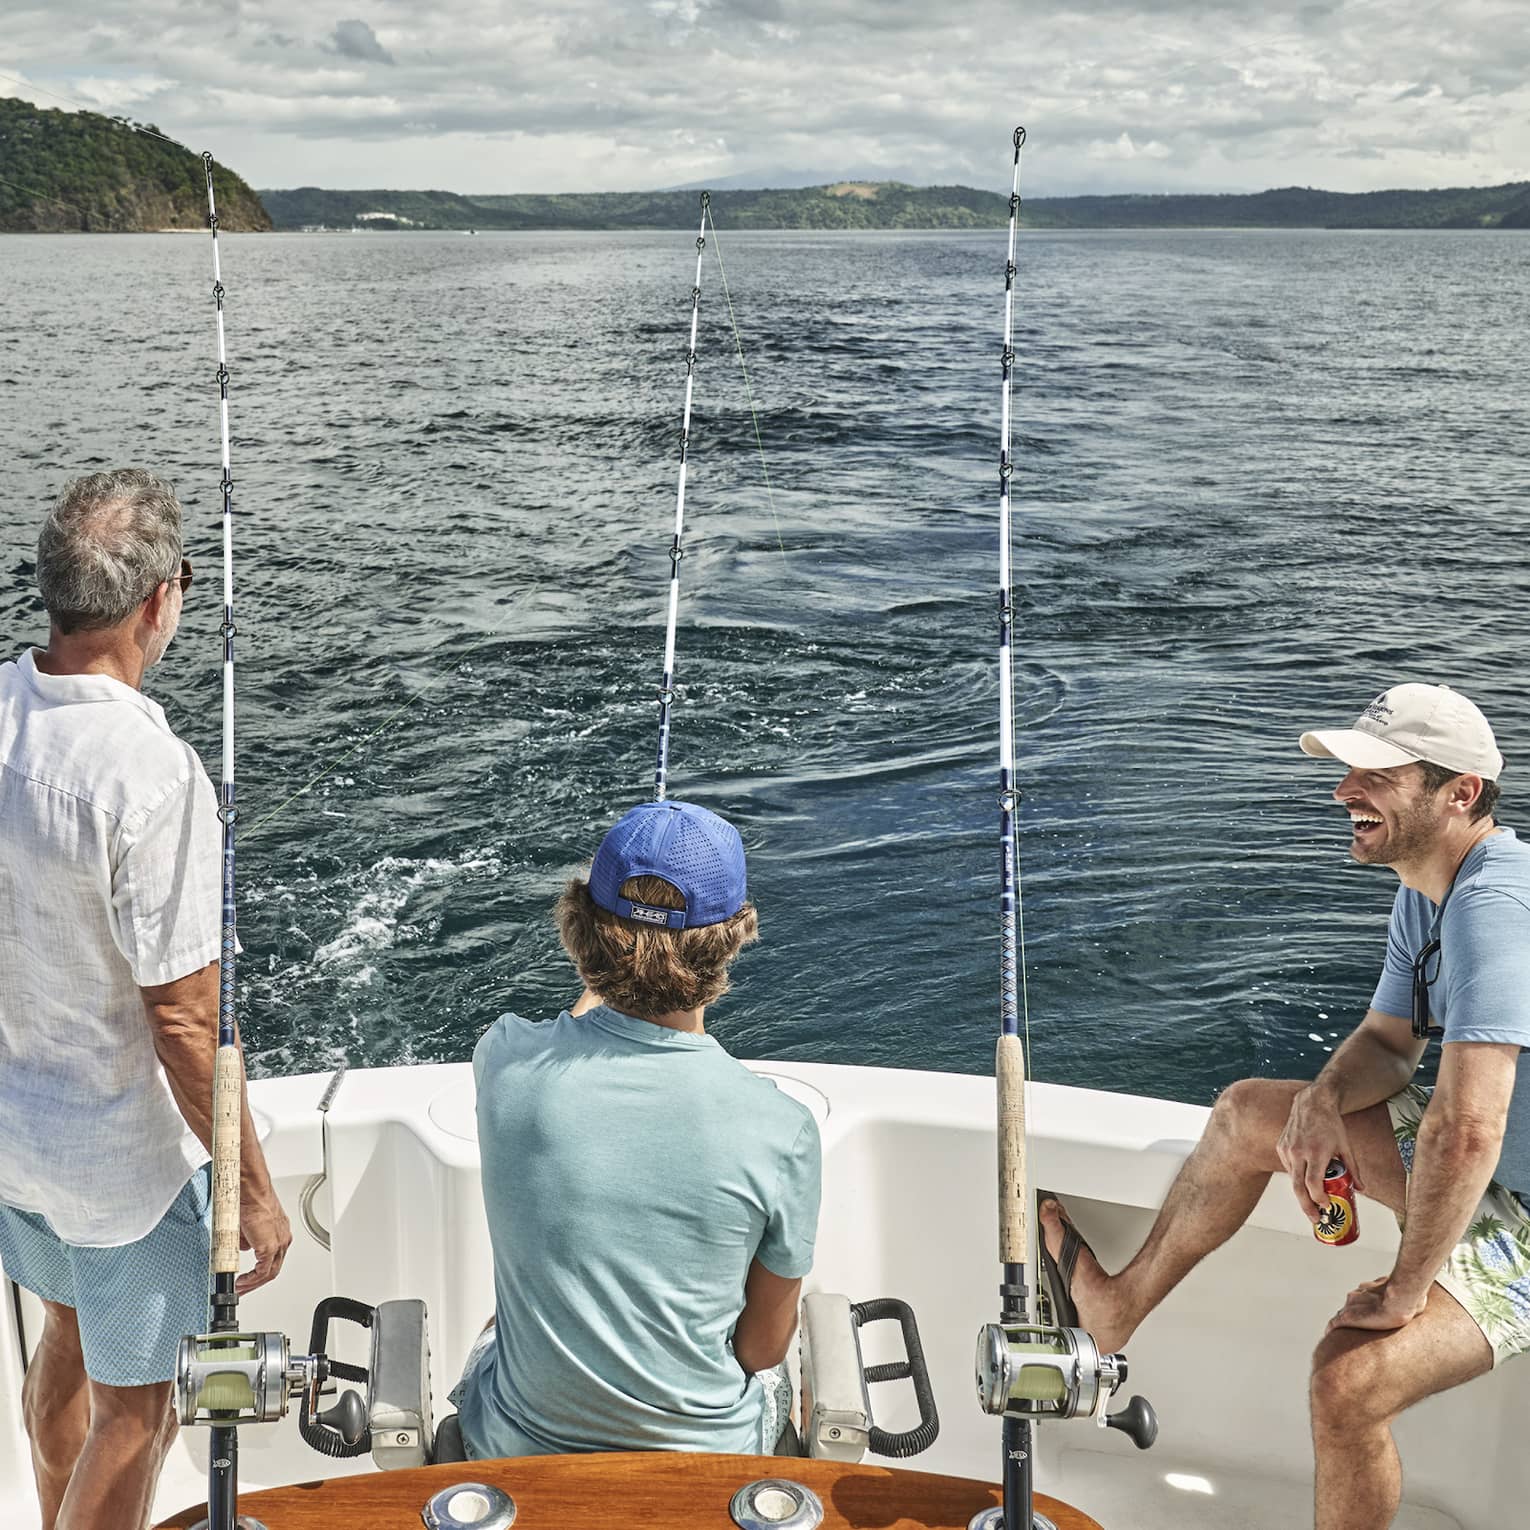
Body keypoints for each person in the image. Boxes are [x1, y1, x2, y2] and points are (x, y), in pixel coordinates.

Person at [1040, 682, 1530, 1530]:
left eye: (1377, 774)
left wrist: (1407, 1289)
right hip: (1493, 1168)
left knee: (1347, 1383)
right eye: (1348, 771)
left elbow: (1468, 1126)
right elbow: (1386, 1042)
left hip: (1515, 1200)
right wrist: (1321, 1104)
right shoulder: (1430, 891)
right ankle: (1114, 1312)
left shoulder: (1496, 905)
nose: (1346, 791)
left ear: (1461, 794)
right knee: (1247, 1112)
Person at [0, 469, 291, 1530]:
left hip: (16, 1147)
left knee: (63, 1346)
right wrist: (253, 1190)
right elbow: (183, 1020)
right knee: (140, 1411)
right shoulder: (152, 775)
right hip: (121, 1176)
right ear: (163, 599)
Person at [452, 798, 822, 1459]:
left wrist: (613, 973)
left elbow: (577, 1027)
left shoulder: (504, 1058)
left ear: (580, 928)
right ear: (738, 932)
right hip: (703, 1463)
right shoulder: (781, 1130)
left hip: (513, 1452)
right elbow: (759, 1350)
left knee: (495, 1327)